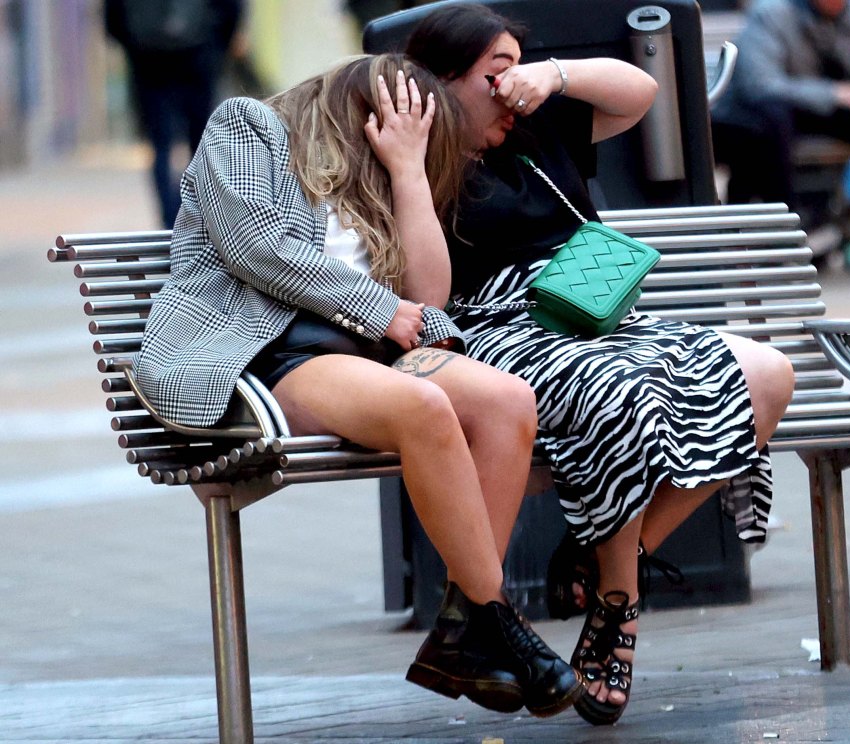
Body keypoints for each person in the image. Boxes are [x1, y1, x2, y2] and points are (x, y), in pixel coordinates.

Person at [131, 53, 583, 717]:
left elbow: (428, 300)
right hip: (266, 352)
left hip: (365, 357)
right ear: (360, 107)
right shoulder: (249, 126)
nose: (412, 139)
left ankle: (463, 631)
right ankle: (498, 622)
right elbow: (257, 246)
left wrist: (406, 169)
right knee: (423, 406)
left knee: (508, 400)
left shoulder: (380, 178)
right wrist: (386, 313)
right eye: (403, 122)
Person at [405, 3, 795, 725]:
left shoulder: (535, 124)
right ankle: (620, 609)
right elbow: (426, 299)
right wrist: (409, 165)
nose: (510, 85)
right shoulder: (414, 155)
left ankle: (604, 565)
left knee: (766, 373)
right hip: (501, 330)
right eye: (494, 73)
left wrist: (550, 76)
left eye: (516, 67)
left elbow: (639, 91)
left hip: (595, 310)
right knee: (620, 393)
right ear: (442, 80)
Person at [710, 0, 850, 223]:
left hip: (820, 114)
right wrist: (835, 94)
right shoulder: (770, 14)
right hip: (759, 121)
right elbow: (760, 86)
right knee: (772, 118)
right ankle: (788, 221)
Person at [105, 0, 245, 228]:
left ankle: (169, 221)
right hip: (199, 57)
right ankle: (198, 218)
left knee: (160, 145)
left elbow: (113, 17)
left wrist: (135, 48)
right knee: (202, 144)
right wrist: (217, 50)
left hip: (148, 62)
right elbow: (232, 9)